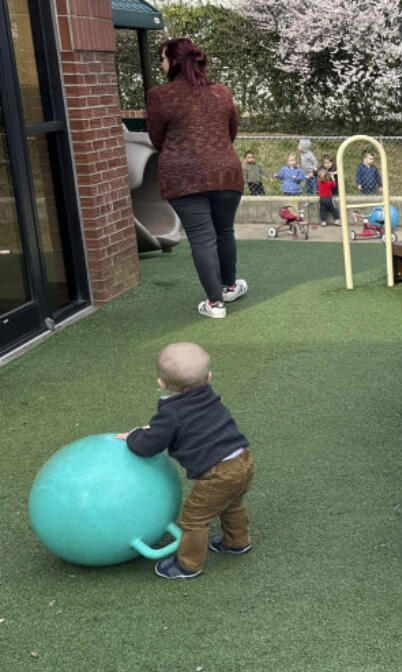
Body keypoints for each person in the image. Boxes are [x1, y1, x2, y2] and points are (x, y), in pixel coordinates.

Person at [117, 342, 254, 580]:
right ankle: (237, 542)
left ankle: (188, 565)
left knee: (193, 519)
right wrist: (156, 430)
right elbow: (191, 425)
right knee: (231, 503)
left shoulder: (170, 413)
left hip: (218, 474)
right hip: (242, 460)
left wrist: (134, 436)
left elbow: (149, 446)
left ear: (162, 383)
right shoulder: (208, 396)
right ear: (209, 377)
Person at [145, 37, 247, 320]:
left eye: (164, 58)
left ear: (174, 62)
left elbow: (157, 139)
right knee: (224, 231)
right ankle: (228, 287)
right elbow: (231, 131)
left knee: (202, 237)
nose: (162, 64)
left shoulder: (159, 96)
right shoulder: (222, 93)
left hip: (183, 176)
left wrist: (184, 149)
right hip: (225, 171)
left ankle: (215, 304)